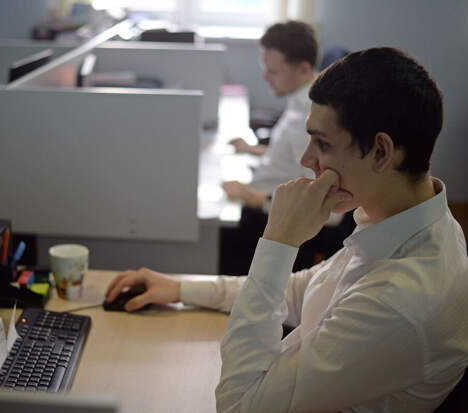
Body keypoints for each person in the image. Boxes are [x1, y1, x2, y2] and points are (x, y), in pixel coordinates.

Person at [105, 47, 468, 412]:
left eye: (322, 144)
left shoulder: (399, 300)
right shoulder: (404, 222)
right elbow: (302, 292)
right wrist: (181, 288)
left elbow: (239, 405)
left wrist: (279, 240)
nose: (306, 160)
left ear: (380, 152)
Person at [219, 21, 338, 275]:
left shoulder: (308, 118)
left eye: (273, 71)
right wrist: (253, 149)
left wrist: (249, 196)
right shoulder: (302, 98)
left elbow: (317, 196)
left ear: (303, 68)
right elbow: (293, 158)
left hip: (272, 219)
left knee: (214, 232)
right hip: (265, 198)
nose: (265, 77)